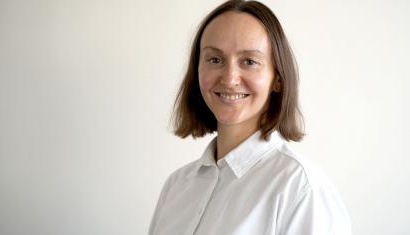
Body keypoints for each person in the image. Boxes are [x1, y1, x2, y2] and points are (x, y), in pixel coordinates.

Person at [149, 0, 352, 234]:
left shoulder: (302, 189)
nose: (229, 78)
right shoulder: (176, 186)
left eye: (249, 62)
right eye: (215, 60)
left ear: (277, 78)